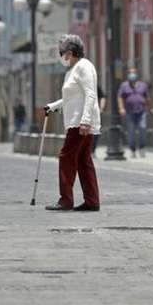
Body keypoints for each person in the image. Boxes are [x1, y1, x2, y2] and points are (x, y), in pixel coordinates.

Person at [44, 34, 102, 212]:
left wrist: (85, 121)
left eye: (63, 53)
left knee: (66, 158)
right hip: (76, 122)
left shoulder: (84, 66)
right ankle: (92, 201)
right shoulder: (72, 70)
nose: (62, 57)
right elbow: (70, 98)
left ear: (70, 52)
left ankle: (65, 200)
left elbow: (90, 94)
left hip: (80, 124)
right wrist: (52, 106)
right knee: (84, 162)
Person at [118, 67, 150, 158]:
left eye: (134, 73)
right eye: (130, 73)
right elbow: (120, 97)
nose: (132, 75)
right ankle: (132, 149)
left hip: (141, 111)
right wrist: (121, 108)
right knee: (131, 131)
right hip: (129, 112)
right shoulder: (124, 86)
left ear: (137, 74)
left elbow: (147, 97)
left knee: (142, 129)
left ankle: (142, 148)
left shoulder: (143, 85)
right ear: (128, 75)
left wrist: (149, 107)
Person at [90, 85, 106, 158]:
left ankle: (92, 151)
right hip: (84, 112)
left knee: (96, 132)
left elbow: (102, 97)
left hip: (95, 112)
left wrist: (101, 108)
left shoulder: (95, 86)